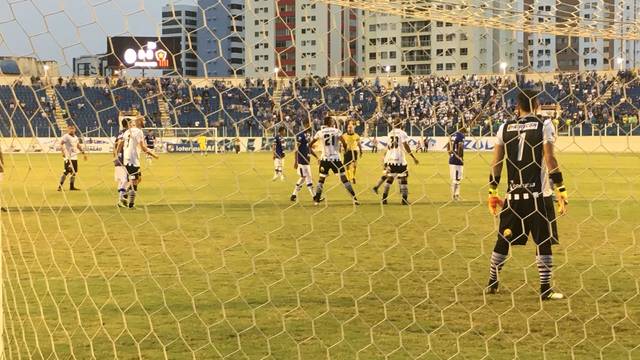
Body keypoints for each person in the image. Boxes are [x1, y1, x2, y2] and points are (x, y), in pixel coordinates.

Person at [486, 89, 567, 300]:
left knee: (503, 238)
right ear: (537, 104)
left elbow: (496, 162)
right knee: (543, 241)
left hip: (513, 196)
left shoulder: (504, 127)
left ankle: (492, 282)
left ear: (517, 106)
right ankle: (545, 288)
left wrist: (492, 191)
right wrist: (561, 189)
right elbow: (549, 158)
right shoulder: (544, 125)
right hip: (537, 196)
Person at [308, 116, 358, 205]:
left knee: (321, 180)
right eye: (333, 121)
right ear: (331, 122)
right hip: (335, 159)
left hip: (325, 159)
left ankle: (316, 201)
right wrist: (345, 149)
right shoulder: (336, 131)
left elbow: (310, 144)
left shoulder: (320, 132)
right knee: (344, 179)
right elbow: (344, 142)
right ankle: (354, 198)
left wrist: (314, 149)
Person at [118, 117, 158, 209]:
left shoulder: (127, 132)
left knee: (138, 179)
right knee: (134, 182)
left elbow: (120, 143)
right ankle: (130, 204)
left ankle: (124, 196)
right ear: (138, 122)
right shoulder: (138, 131)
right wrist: (153, 155)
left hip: (130, 160)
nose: (144, 122)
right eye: (143, 120)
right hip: (132, 160)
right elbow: (143, 147)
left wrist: (117, 154)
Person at [380, 117, 419, 205]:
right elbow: (406, 145)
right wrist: (413, 157)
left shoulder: (390, 133)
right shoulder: (402, 133)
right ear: (401, 124)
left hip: (391, 160)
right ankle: (404, 200)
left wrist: (385, 160)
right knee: (403, 178)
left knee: (390, 178)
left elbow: (388, 147)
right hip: (400, 160)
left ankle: (384, 198)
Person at [290, 127, 317, 201]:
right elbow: (296, 148)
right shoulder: (300, 135)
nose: (311, 125)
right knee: (305, 178)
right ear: (305, 125)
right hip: (302, 161)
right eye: (309, 124)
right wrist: (296, 161)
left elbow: (309, 149)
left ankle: (294, 195)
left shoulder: (308, 135)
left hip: (307, 161)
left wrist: (317, 157)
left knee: (306, 178)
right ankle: (314, 197)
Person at [58, 124, 87, 191]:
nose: (71, 130)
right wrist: (62, 152)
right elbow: (61, 143)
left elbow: (78, 146)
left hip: (74, 157)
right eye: (70, 128)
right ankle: (60, 186)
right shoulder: (66, 136)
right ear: (68, 129)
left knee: (74, 172)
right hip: (68, 157)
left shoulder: (76, 137)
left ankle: (71, 186)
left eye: (72, 128)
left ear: (75, 129)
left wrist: (83, 153)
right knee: (66, 172)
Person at [114, 118, 130, 207]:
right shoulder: (126, 133)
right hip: (123, 159)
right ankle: (121, 199)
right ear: (127, 124)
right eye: (131, 123)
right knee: (125, 180)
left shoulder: (120, 133)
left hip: (121, 158)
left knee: (123, 181)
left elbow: (115, 144)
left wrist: (115, 155)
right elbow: (120, 143)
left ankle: (121, 198)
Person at [447, 127, 466, 200]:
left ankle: (456, 195)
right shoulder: (460, 136)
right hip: (457, 161)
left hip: (452, 160)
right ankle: (454, 196)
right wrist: (459, 157)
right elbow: (460, 146)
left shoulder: (452, 135)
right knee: (456, 179)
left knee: (456, 179)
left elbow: (448, 147)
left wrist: (451, 155)